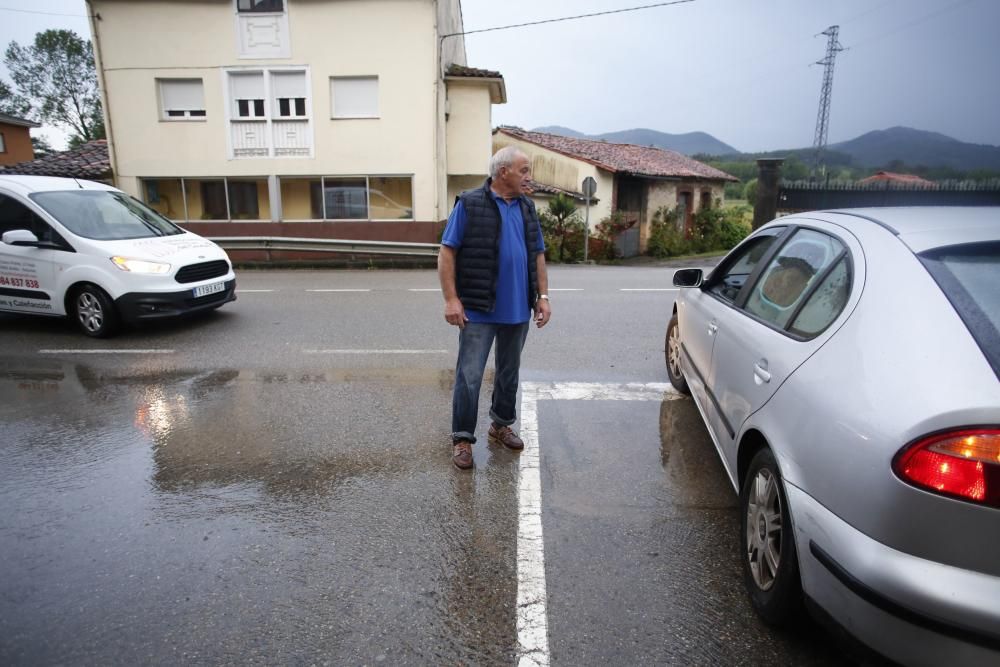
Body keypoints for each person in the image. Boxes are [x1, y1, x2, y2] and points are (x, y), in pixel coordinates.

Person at [438, 146, 552, 470]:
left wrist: (543, 296)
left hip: (517, 310)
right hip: (478, 309)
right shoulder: (470, 204)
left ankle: (500, 424)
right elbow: (447, 253)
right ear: (504, 172)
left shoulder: (528, 208)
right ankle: (462, 439)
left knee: (509, 372)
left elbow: (538, 255)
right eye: (524, 170)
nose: (529, 177)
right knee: (469, 375)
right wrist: (451, 299)